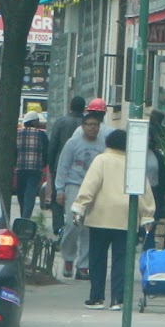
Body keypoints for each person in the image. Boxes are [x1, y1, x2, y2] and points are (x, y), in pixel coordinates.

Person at [71, 127, 155, 309]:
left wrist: (79, 208)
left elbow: (90, 186)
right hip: (126, 217)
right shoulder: (134, 163)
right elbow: (144, 190)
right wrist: (147, 216)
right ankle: (118, 299)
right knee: (122, 260)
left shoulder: (101, 160)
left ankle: (96, 298)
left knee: (97, 258)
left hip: (101, 216)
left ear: (108, 143)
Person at [54, 101, 108, 280]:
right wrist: (59, 190)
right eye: (90, 125)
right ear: (83, 126)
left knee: (88, 228)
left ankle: (83, 265)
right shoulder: (73, 143)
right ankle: (68, 257)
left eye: (96, 125)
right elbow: (63, 166)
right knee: (72, 223)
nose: (94, 128)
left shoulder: (102, 145)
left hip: (94, 189)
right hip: (74, 186)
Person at [47, 96, 87, 237]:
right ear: (84, 108)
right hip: (82, 167)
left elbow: (53, 145)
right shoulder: (87, 124)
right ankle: (78, 226)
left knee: (57, 198)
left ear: (70, 106)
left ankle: (59, 227)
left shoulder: (61, 122)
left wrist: (50, 164)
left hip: (61, 164)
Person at [14, 111, 49, 224]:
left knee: (21, 194)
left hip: (21, 168)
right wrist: (43, 163)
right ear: (34, 122)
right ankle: (25, 218)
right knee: (30, 194)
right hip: (35, 169)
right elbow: (46, 152)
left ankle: (22, 215)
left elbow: (14, 151)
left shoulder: (18, 134)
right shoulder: (41, 135)